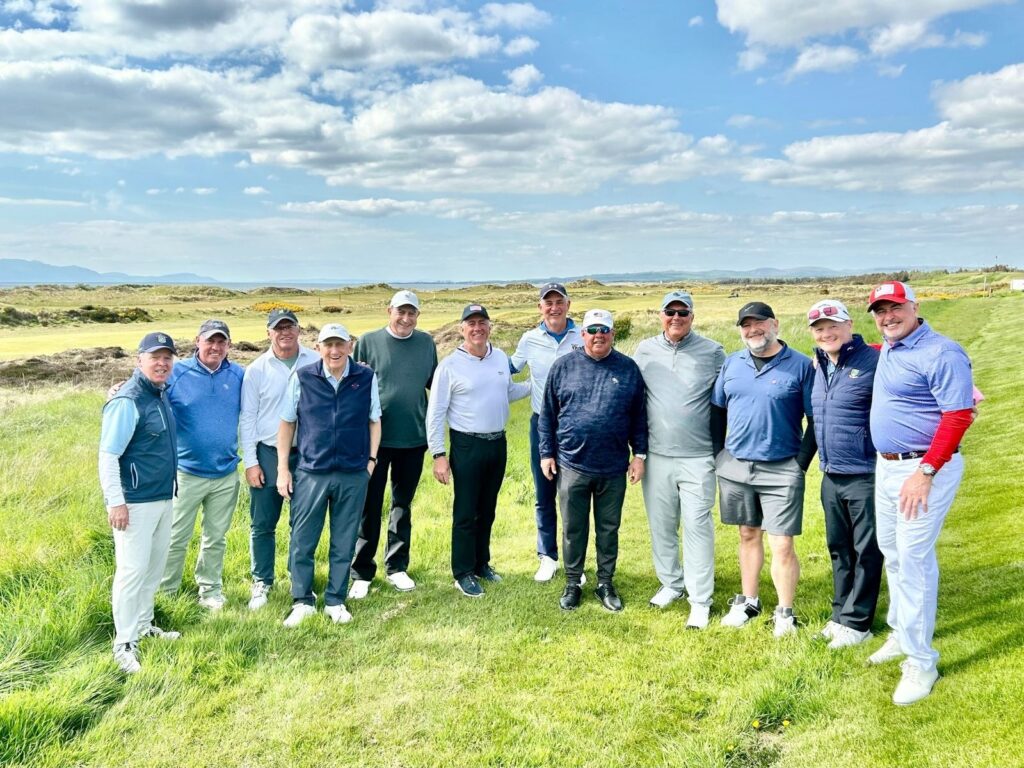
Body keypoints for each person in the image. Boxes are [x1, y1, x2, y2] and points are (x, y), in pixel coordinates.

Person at [865, 281, 974, 706]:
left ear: (915, 306)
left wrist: (926, 471)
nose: (888, 317)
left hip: (923, 468)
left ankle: (920, 660)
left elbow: (958, 414)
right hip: (888, 465)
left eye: (895, 308)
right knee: (891, 551)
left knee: (913, 560)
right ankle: (900, 631)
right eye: (880, 311)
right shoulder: (892, 346)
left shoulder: (941, 351)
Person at [712, 301, 814, 636]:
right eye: (746, 326)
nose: (753, 331)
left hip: (782, 466)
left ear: (775, 325)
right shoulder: (733, 363)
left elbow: (815, 420)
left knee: (782, 543)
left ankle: (785, 612)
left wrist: (800, 464)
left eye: (760, 324)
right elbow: (717, 411)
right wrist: (719, 455)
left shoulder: (800, 365)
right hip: (737, 465)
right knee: (747, 533)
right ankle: (749, 601)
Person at [539, 309, 648, 613]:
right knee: (573, 527)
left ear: (613, 334)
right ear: (582, 334)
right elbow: (547, 415)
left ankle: (605, 582)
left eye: (605, 329)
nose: (598, 335)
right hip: (572, 464)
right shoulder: (563, 367)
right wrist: (546, 453)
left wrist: (639, 456)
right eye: (592, 330)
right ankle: (573, 582)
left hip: (613, 467)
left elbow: (639, 417)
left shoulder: (628, 369)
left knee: (608, 528)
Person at [276, 324, 382, 627]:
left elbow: (375, 421)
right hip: (311, 471)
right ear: (318, 347)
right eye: (328, 345)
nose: (334, 351)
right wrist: (283, 468)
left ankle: (335, 600)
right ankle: (302, 600)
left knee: (344, 539)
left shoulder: (365, 377)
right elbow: (287, 424)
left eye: (340, 344)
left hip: (353, 471)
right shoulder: (303, 377)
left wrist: (371, 461)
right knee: (303, 539)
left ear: (350, 345)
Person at [633, 291, 724, 629]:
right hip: (656, 456)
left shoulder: (713, 352)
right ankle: (672, 582)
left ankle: (700, 600)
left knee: (697, 526)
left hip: (699, 457)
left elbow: (730, 394)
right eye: (669, 312)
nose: (675, 318)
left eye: (682, 312)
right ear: (660, 315)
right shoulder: (645, 351)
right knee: (661, 524)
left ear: (692, 316)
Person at [426, 303, 530, 598]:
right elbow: (435, 413)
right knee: (466, 511)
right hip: (467, 444)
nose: (477, 328)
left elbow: (507, 391)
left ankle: (481, 563)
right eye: (471, 323)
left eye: (482, 322)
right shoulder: (449, 366)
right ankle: (462, 572)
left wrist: (536, 385)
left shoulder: (499, 357)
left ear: (489, 326)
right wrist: (439, 455)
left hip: (497, 443)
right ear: (462, 329)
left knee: (487, 509)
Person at [99, 332, 181, 674]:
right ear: (139, 360)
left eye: (167, 357)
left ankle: (145, 626)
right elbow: (108, 456)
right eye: (154, 357)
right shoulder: (128, 399)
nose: (161, 363)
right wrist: (115, 502)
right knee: (131, 573)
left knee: (153, 568)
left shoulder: (158, 394)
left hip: (163, 498)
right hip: (134, 503)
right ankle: (124, 643)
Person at [348, 290, 437, 599]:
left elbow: (434, 386)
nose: (406, 318)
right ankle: (362, 571)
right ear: (389, 311)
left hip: (413, 438)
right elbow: (354, 385)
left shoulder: (426, 343)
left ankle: (397, 566)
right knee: (369, 505)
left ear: (418, 316)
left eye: (412, 312)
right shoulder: (368, 342)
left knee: (402, 504)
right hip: (374, 441)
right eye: (401, 311)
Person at [803, 299, 883, 649]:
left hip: (866, 472)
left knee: (867, 549)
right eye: (819, 329)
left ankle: (859, 622)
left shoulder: (875, 361)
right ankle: (840, 615)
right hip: (831, 475)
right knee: (839, 548)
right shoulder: (818, 366)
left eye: (833, 325)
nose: (827, 333)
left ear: (849, 324)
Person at [158, 319, 245, 611]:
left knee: (215, 538)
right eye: (210, 341)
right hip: (186, 473)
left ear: (228, 346)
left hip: (225, 472)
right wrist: (119, 388)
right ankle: (166, 592)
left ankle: (210, 591)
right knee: (175, 537)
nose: (215, 347)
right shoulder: (177, 372)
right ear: (198, 341)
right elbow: (146, 382)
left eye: (222, 342)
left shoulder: (239, 375)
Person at [239, 309, 319, 610]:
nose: (285, 333)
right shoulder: (257, 369)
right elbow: (247, 418)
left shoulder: (315, 360)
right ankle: (262, 581)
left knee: (302, 522)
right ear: (268, 332)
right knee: (263, 522)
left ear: (299, 330)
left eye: (290, 327)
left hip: (308, 453)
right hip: (268, 452)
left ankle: (299, 580)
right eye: (278, 328)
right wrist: (251, 462)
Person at [510, 282, 584, 583]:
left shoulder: (584, 335)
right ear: (540, 307)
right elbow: (506, 370)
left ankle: (574, 562)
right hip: (542, 424)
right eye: (547, 303)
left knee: (574, 495)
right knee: (544, 492)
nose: (553, 307)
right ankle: (548, 556)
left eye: (559, 302)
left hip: (577, 424)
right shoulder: (529, 339)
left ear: (568, 305)